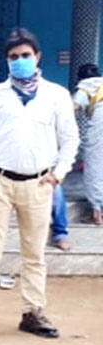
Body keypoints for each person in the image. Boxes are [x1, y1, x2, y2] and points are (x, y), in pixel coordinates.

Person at [0, 28, 78, 339]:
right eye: (14, 57)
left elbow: (70, 139)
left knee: (34, 253)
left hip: (39, 184)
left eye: (25, 55)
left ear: (37, 56)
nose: (20, 62)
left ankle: (33, 312)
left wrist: (58, 175)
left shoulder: (55, 95)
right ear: (7, 62)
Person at [73, 62, 103, 226]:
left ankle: (97, 213)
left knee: (94, 167)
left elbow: (75, 106)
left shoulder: (85, 86)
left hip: (100, 129)